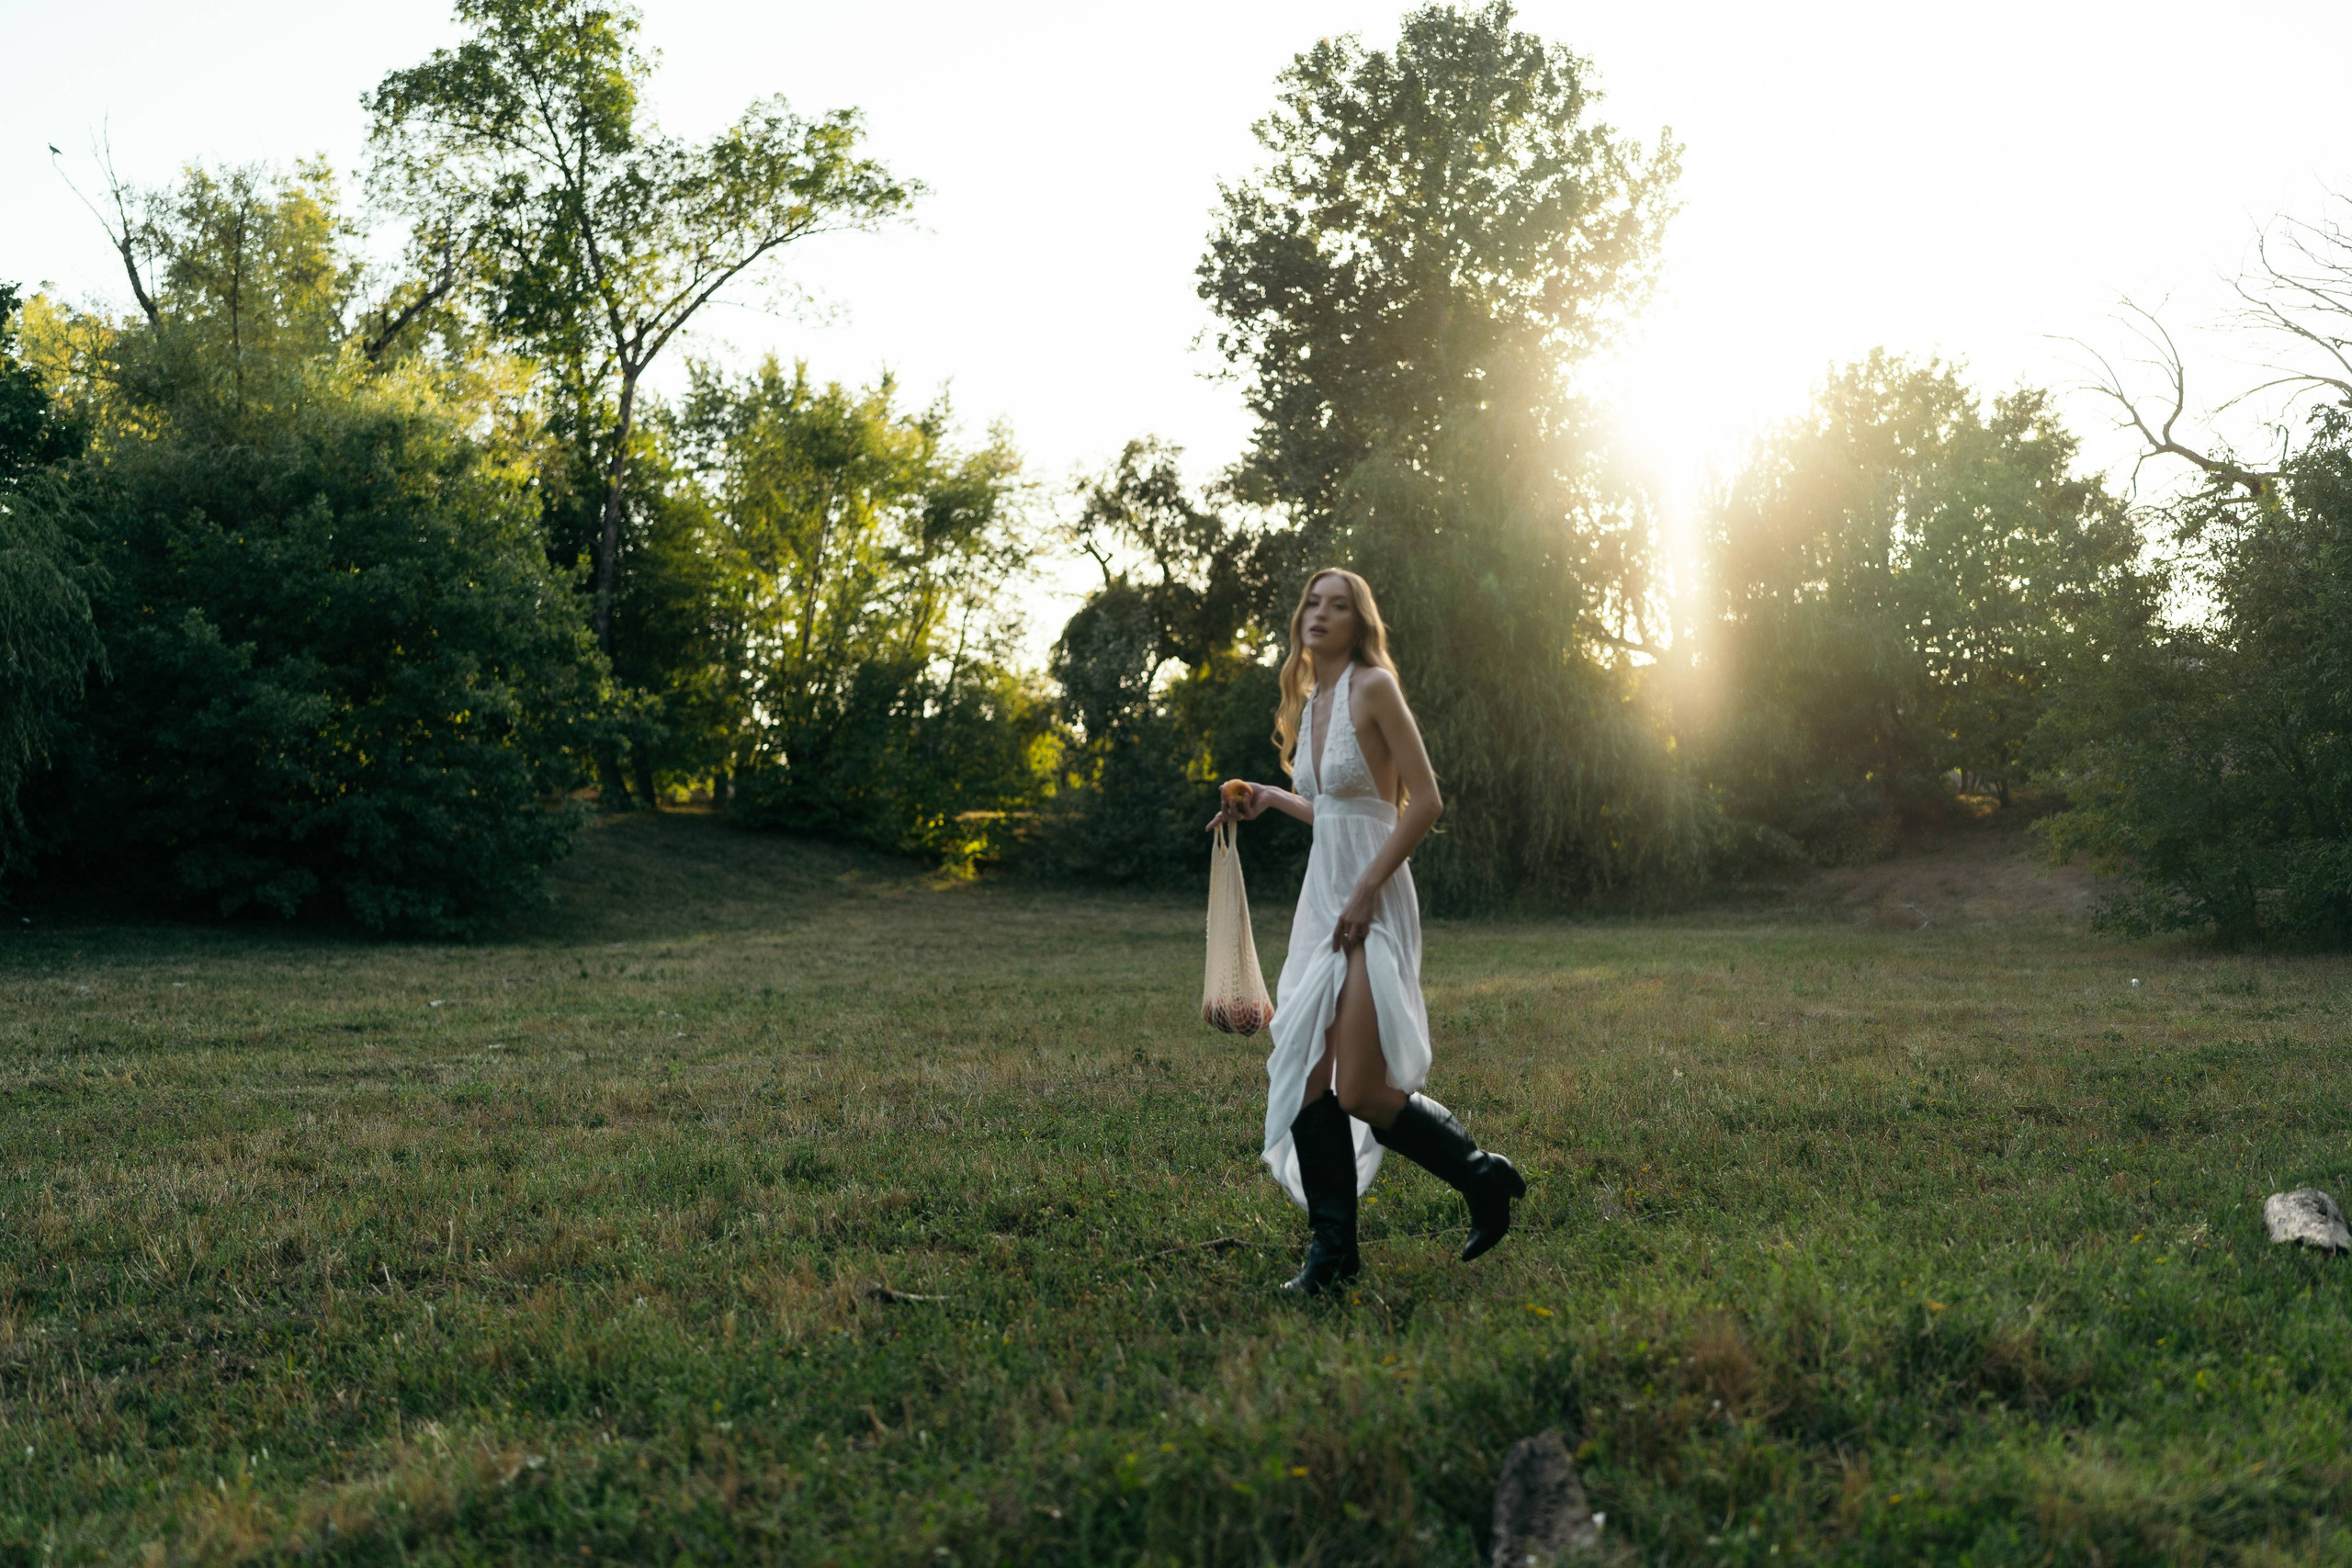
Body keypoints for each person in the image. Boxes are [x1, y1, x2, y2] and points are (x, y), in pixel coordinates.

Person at [1209, 568, 1524, 1295]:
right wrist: (1268, 798)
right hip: (1325, 899)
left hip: (1372, 897)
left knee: (1361, 1090)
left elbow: (1424, 802)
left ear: (1359, 621)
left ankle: (1482, 1175)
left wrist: (1367, 891)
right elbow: (1338, 812)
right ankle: (1333, 1253)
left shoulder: (1373, 686)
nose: (1320, 614)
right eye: (1312, 603)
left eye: (1338, 605)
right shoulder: (1312, 700)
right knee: (1312, 1082)